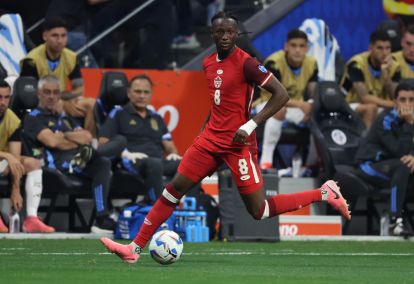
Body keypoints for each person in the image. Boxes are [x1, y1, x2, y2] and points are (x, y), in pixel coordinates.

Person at [100, 12, 351, 263]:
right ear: (212, 34)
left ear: (237, 34)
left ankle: (324, 193)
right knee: (173, 190)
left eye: (230, 32)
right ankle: (134, 248)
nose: (225, 37)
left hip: (238, 145)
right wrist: (201, 138)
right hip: (209, 142)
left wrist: (251, 124)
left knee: (259, 210)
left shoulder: (248, 63)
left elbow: (281, 95)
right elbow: (217, 106)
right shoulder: (208, 63)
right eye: (220, 32)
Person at [23, 75, 115, 233]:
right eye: (47, 92)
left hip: (78, 159)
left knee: (104, 162)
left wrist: (64, 136)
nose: (51, 96)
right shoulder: (33, 117)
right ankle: (103, 217)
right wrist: (71, 138)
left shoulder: (63, 117)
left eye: (55, 92)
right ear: (39, 94)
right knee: (101, 162)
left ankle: (102, 218)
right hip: (58, 166)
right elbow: (52, 142)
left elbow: (86, 137)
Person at [98, 74, 182, 204]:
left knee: (190, 166)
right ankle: (158, 211)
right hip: (133, 161)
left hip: (158, 163)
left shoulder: (157, 118)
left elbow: (169, 145)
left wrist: (173, 155)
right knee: (154, 164)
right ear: (129, 93)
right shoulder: (118, 113)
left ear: (150, 94)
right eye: (137, 92)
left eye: (146, 92)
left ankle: (188, 211)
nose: (142, 96)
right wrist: (123, 153)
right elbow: (103, 143)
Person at [252, 29, 318, 170]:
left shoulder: (312, 63)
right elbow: (275, 96)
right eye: (293, 45)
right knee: (279, 109)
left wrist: (311, 106)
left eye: (301, 46)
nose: (297, 50)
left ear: (307, 48)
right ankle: (266, 162)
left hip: (294, 107)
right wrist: (302, 105)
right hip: (266, 104)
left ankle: (312, 163)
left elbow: (313, 93)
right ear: (286, 46)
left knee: (317, 115)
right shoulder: (273, 62)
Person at [355, 79, 414, 236]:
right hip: (369, 165)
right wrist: (409, 124)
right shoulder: (385, 120)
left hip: (395, 164)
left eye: (412, 100)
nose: (407, 104)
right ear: (395, 102)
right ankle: (395, 221)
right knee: (404, 166)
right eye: (403, 100)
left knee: (405, 167)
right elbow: (399, 151)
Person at [19, 17, 96, 136]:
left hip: (61, 100)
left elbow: (80, 89)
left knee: (92, 104)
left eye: (63, 36)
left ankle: (91, 144)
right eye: (55, 36)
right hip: (40, 102)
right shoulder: (31, 60)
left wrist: (61, 98)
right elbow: (29, 93)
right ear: (45, 36)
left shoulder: (71, 57)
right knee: (58, 104)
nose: (59, 40)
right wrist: (56, 100)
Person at [0, 79, 55, 233]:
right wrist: (7, 156)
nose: (3, 102)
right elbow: (10, 157)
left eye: (6, 97)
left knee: (33, 163)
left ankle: (31, 219)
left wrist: (15, 189)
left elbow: (15, 160)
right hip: (3, 158)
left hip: (2, 162)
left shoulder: (13, 120)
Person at [340, 30, 401, 129]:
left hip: (380, 106)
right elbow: (364, 98)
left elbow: (395, 96)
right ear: (371, 48)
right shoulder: (356, 64)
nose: (384, 53)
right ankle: (368, 143)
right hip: (351, 105)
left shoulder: (394, 66)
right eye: (379, 48)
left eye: (387, 48)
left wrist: (386, 76)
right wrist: (391, 104)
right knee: (371, 108)